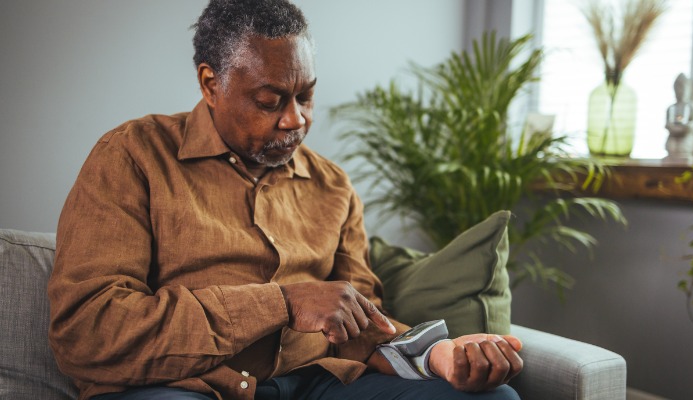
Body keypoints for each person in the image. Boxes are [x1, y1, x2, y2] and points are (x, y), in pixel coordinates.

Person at [47, 1, 523, 399]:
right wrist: (282, 303)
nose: (296, 120)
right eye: (271, 100)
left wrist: (437, 354)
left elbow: (363, 327)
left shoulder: (332, 185)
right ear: (211, 84)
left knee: (495, 398)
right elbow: (88, 333)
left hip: (318, 382)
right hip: (186, 386)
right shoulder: (133, 156)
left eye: (306, 96)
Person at [664, 73, 693, 163]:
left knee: (684, 147)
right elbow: (667, 124)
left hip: (685, 137)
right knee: (671, 146)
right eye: (677, 88)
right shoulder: (671, 108)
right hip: (673, 136)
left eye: (682, 87)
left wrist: (688, 127)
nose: (679, 91)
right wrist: (672, 127)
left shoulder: (691, 107)